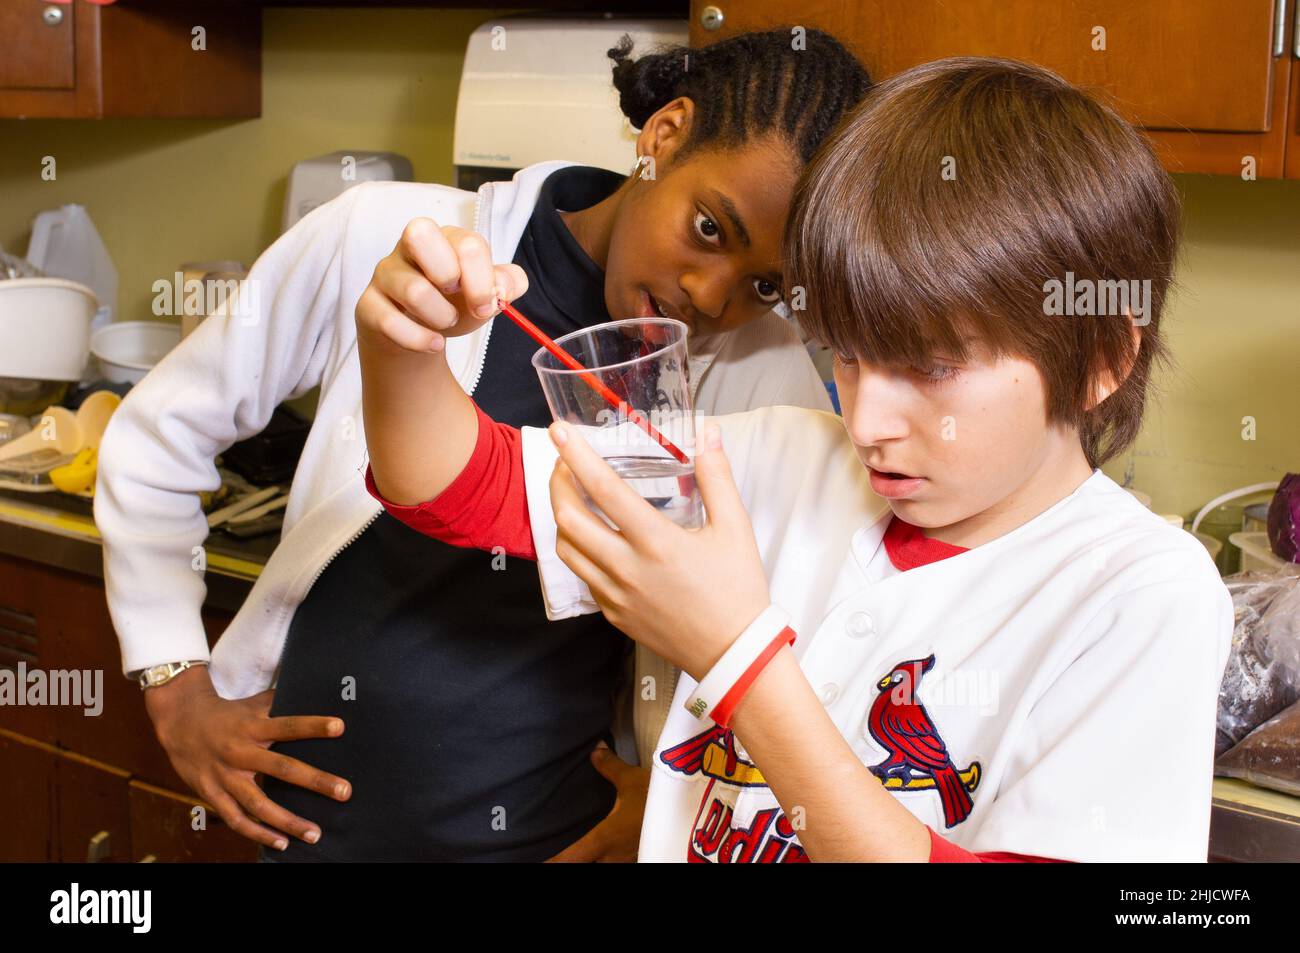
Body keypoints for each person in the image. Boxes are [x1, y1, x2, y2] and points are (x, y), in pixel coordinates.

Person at [357, 57, 1234, 862]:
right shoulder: (773, 457)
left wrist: (735, 657)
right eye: (846, 354)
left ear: (1101, 360)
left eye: (930, 366)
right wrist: (401, 347)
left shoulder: (1142, 593)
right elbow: (459, 487)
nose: (868, 420)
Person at [95, 29, 871, 861]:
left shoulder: (764, 374)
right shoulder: (390, 239)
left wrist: (676, 795)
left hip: (552, 841)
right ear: (665, 135)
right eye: (712, 227)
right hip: (309, 829)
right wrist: (173, 681)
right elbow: (159, 430)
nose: (711, 296)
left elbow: (797, 651)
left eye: (766, 284)